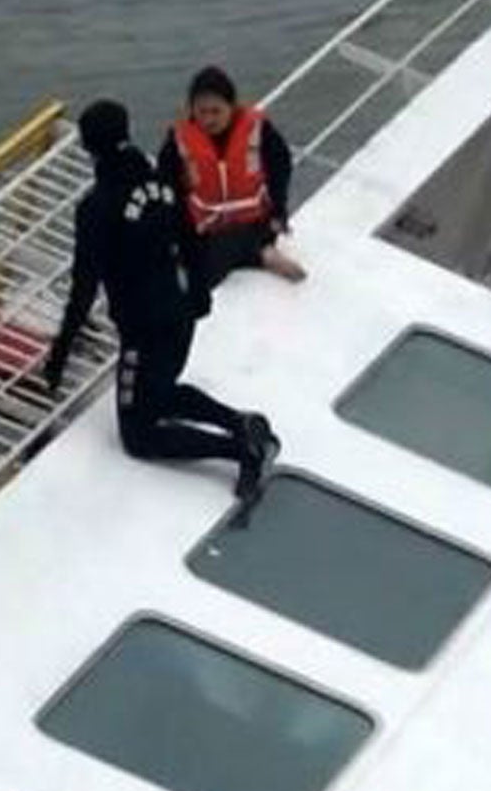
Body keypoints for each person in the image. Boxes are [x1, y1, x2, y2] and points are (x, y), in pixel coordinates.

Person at [42, 99, 279, 501]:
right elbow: (194, 239)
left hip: (144, 328)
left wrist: (59, 354)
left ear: (87, 147)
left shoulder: (96, 209)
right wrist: (200, 294)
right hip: (182, 311)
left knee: (138, 433)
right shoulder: (164, 182)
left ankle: (240, 450)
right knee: (162, 391)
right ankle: (242, 423)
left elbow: (84, 288)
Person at [158, 65, 306, 289]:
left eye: (216, 111)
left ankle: (257, 252)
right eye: (202, 112)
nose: (209, 119)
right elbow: (166, 185)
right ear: (191, 110)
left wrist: (279, 209)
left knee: (204, 270)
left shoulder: (258, 129)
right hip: (207, 227)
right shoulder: (178, 139)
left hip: (255, 222)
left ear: (232, 106)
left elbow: (280, 166)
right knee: (199, 253)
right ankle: (260, 256)